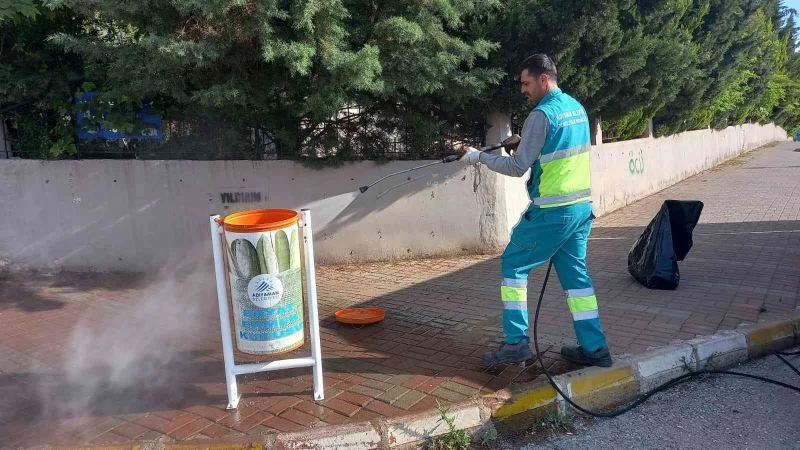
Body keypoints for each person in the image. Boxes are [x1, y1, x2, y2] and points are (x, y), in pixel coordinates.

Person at [461, 54, 612, 368]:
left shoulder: (541, 115)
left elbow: (517, 167)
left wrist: (478, 157)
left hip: (551, 212)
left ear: (544, 79)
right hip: (580, 210)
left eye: (527, 83)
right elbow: (556, 148)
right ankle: (595, 349)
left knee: (513, 265)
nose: (523, 90)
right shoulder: (576, 108)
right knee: (576, 279)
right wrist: (524, 140)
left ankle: (515, 343)